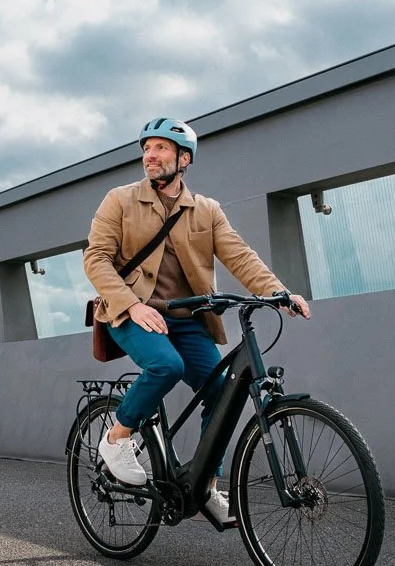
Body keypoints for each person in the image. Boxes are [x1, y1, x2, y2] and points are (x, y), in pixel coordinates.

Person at [83, 117, 311, 523]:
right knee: (166, 365)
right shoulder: (119, 200)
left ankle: (205, 483)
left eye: (161, 148)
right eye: (146, 148)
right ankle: (117, 437)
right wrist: (133, 305)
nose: (150, 156)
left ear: (183, 158)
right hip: (130, 312)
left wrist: (277, 293)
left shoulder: (206, 210)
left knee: (223, 392)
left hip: (187, 319)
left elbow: (239, 255)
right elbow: (96, 258)